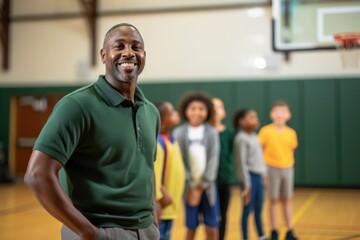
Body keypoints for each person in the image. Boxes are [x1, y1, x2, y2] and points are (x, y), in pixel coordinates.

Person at [24, 23, 160, 240]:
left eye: (136, 47)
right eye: (119, 46)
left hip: (146, 230)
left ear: (144, 55)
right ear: (104, 55)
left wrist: (153, 216)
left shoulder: (151, 112)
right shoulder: (77, 106)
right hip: (99, 230)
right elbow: (37, 175)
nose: (128, 52)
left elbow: (146, 167)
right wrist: (89, 232)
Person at [173, 92, 220, 240]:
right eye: (193, 108)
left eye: (201, 109)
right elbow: (180, 163)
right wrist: (192, 187)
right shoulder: (179, 133)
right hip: (189, 188)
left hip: (208, 188)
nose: (197, 112)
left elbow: (213, 160)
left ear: (208, 112)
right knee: (191, 226)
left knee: (211, 226)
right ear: (186, 111)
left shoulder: (212, 133)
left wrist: (201, 187)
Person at [258, 101, 298, 240]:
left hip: (287, 169)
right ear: (271, 114)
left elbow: (291, 151)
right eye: (277, 111)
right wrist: (264, 172)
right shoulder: (265, 131)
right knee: (273, 200)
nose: (280, 114)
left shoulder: (291, 133)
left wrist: (289, 165)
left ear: (289, 115)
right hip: (271, 169)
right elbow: (260, 152)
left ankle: (290, 230)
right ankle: (274, 230)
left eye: (283, 111)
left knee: (286, 200)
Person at [233, 109, 267, 240]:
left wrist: (264, 173)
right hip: (249, 179)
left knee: (259, 208)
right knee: (247, 210)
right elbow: (241, 163)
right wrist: (246, 184)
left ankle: (261, 235)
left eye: (256, 117)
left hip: (259, 178)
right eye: (251, 117)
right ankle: (245, 237)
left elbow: (260, 157)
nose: (255, 119)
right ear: (242, 121)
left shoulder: (255, 136)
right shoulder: (241, 138)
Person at [154, 101, 185, 240]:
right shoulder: (158, 142)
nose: (176, 114)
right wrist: (159, 198)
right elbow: (154, 173)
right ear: (163, 118)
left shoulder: (172, 139)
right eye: (172, 112)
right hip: (163, 205)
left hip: (171, 206)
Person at [210, 98, 235, 240]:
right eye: (213, 107)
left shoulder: (229, 134)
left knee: (222, 215)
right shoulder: (204, 131)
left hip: (224, 180)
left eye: (219, 107)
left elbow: (229, 154)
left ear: (224, 112)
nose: (216, 110)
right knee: (208, 216)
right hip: (208, 182)